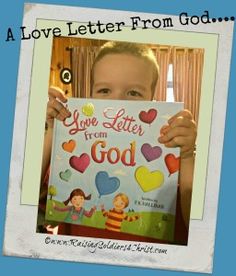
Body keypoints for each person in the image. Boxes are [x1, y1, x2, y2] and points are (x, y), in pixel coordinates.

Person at [40, 41, 196, 244]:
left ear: (153, 101)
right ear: (91, 96)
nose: (118, 103)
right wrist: (53, 130)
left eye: (134, 93)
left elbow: (197, 226)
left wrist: (187, 156)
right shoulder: (75, 146)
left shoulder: (168, 147)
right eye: (104, 90)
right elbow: (27, 201)